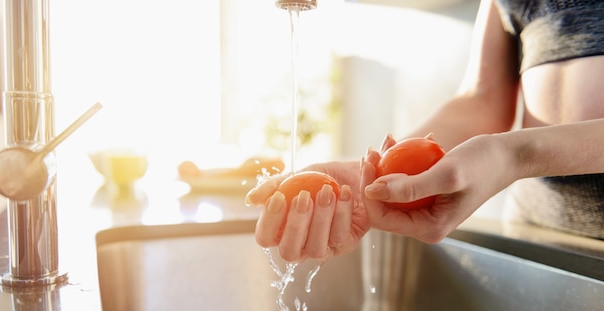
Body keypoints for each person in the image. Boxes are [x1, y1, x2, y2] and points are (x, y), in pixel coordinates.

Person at [246, 0, 604, 262]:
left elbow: (506, 147)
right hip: (534, 242)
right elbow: (483, 100)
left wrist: (512, 156)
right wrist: (376, 175)